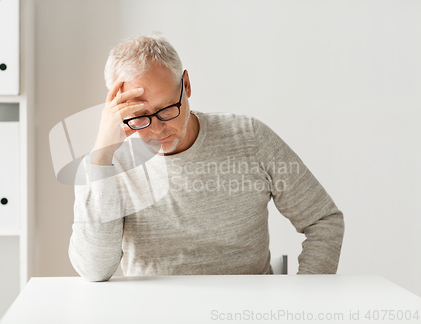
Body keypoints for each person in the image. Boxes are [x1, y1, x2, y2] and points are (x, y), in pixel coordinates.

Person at [69, 32, 344, 281]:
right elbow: (95, 269)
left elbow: (323, 221)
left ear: (186, 86)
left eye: (166, 109)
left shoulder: (249, 137)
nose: (156, 128)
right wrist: (102, 155)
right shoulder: (109, 164)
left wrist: (309, 296)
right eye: (140, 117)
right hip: (154, 313)